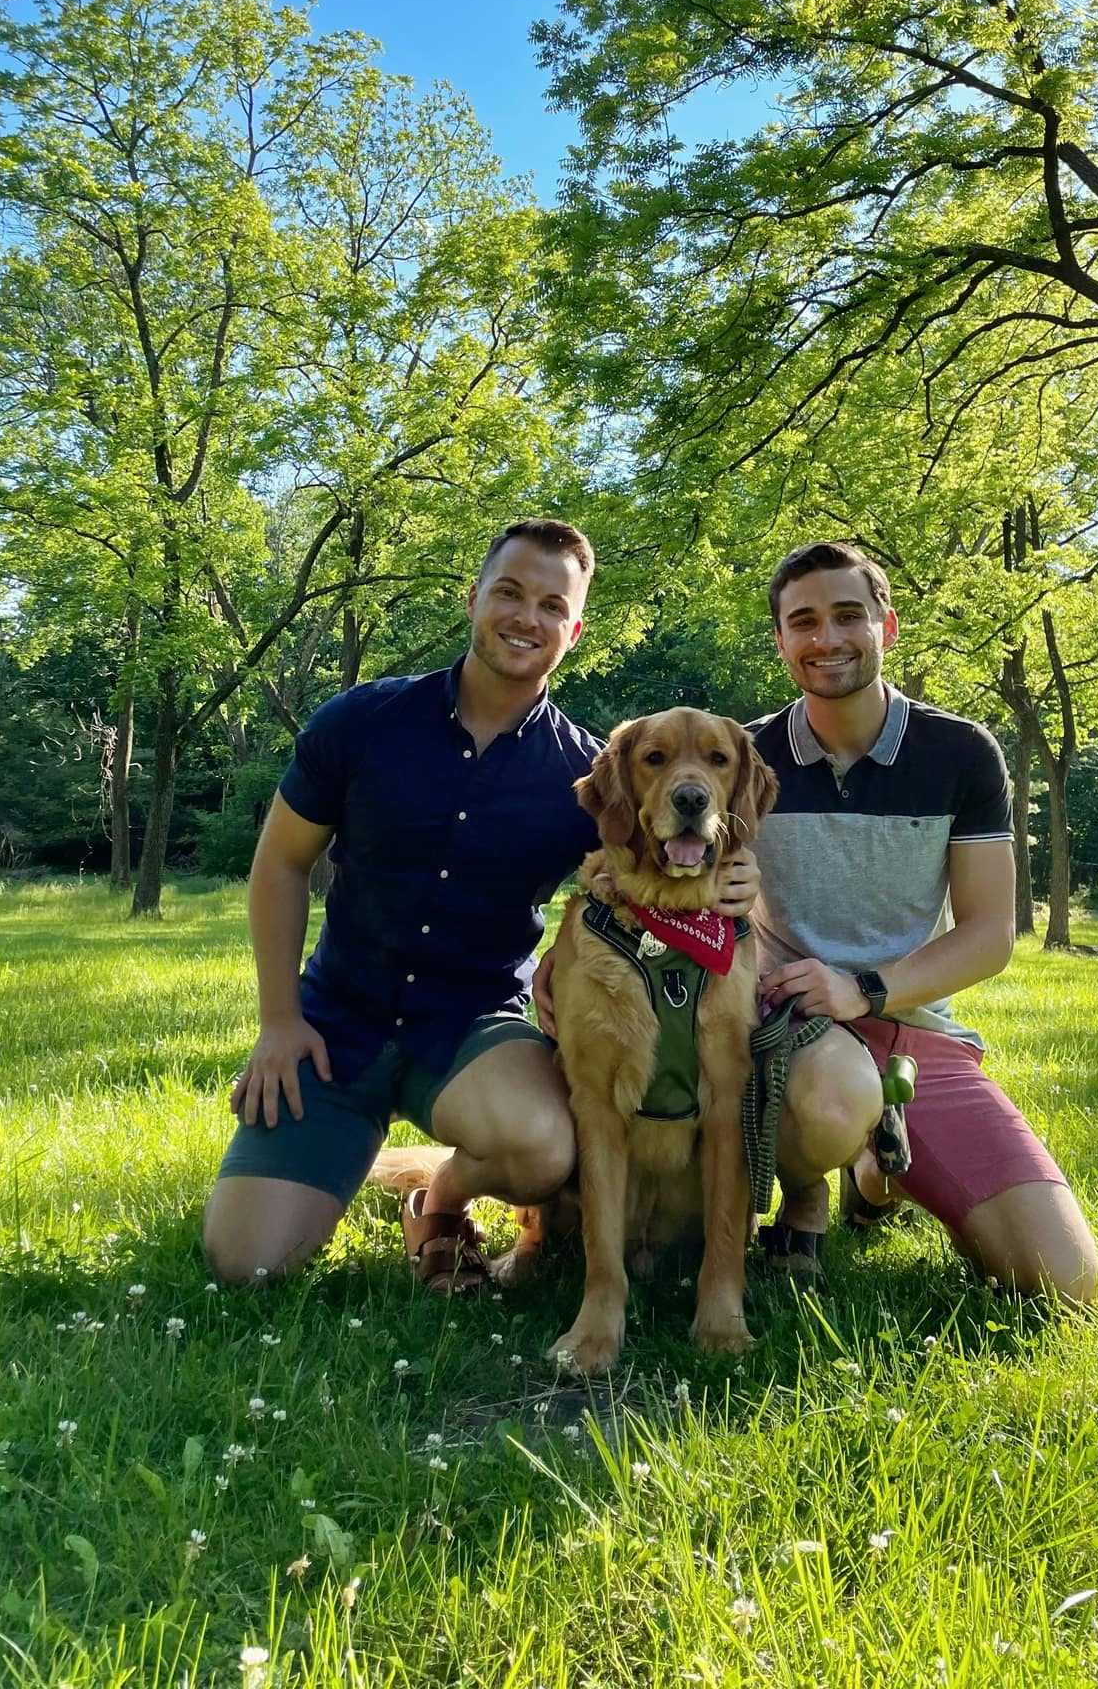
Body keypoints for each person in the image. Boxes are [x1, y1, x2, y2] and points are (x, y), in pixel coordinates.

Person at [202, 518, 760, 1294]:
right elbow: (281, 864)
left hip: (470, 1027)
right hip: (335, 1023)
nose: (526, 617)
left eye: (551, 605)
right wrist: (278, 1020)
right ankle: (336, 1146)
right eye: (508, 592)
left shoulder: (584, 771)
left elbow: (630, 880)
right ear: (473, 599)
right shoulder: (359, 722)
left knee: (543, 1149)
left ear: (575, 628)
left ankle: (439, 1202)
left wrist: (736, 883)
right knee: (247, 1263)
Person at [747, 542, 1098, 1305]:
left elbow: (988, 935)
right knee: (834, 1100)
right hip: (786, 1027)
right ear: (780, 641)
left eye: (849, 615)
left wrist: (866, 989)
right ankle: (808, 1193)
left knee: (1064, 1283)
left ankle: (876, 1169)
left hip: (910, 1026)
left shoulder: (961, 752)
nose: (827, 638)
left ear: (888, 625)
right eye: (802, 621)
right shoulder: (743, 756)